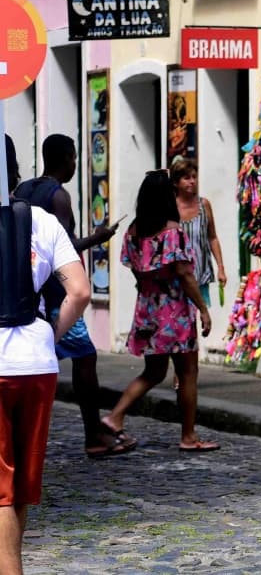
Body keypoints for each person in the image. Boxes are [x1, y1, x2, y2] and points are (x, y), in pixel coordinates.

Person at [1, 135, 91, 573]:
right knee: (18, 486)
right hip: (36, 361)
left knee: (0, 486)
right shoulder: (41, 220)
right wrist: (51, 335)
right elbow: (80, 291)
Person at [12, 135, 124, 458]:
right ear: (66, 158)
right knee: (86, 358)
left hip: (28, 290)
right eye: (75, 158)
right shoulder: (58, 196)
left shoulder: (24, 190)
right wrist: (98, 237)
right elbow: (64, 247)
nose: (77, 164)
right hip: (56, 293)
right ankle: (93, 434)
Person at [102, 170, 219, 452]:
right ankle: (188, 436)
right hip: (174, 308)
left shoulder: (133, 231)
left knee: (153, 372)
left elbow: (134, 269)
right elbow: (184, 274)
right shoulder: (172, 232)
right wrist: (202, 309)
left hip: (147, 307)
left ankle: (115, 417)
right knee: (188, 371)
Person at [170, 157, 226, 309]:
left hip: (201, 274)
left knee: (198, 315)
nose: (192, 181)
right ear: (176, 183)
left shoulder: (204, 205)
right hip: (177, 277)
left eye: (194, 177)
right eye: (186, 178)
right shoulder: (170, 209)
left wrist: (220, 267)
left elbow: (212, 237)